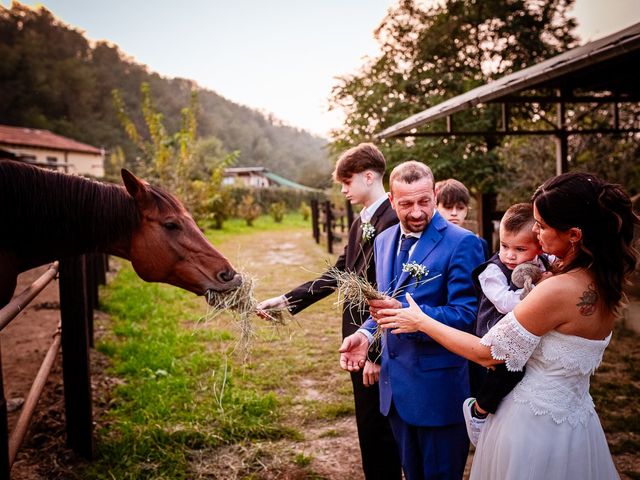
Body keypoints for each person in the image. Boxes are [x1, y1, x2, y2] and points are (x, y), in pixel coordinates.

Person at [376, 172, 637, 479]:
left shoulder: (556, 290)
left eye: (541, 225)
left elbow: (487, 353)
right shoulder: (605, 280)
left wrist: (420, 320)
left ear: (574, 235)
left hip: (531, 427)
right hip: (576, 423)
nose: (535, 233)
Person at [256, 143, 402, 480]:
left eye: (347, 182)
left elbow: (392, 291)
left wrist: (375, 354)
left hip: (376, 344)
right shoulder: (360, 223)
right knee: (369, 427)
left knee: (379, 430)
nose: (343, 189)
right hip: (356, 340)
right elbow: (337, 275)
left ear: (369, 176)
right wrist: (285, 302)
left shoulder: (392, 221)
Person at [339, 161, 485, 480]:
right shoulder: (383, 240)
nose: (417, 212)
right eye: (406, 204)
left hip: (439, 392)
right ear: (392, 200)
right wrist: (366, 335)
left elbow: (469, 315)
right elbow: (386, 303)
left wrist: (419, 319)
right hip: (395, 393)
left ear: (434, 195)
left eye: (424, 201)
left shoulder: (463, 243)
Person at [464, 202, 551, 446]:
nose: (510, 255)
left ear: (539, 247)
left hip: (523, 331)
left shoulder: (544, 263)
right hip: (495, 331)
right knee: (510, 372)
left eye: (520, 249)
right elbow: (503, 303)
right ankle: (479, 411)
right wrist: (538, 292)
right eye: (504, 246)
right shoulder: (492, 271)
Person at [435, 178, 491, 259]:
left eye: (460, 208)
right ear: (436, 208)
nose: (454, 213)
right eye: (448, 207)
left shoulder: (480, 244)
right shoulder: (425, 241)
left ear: (466, 210)